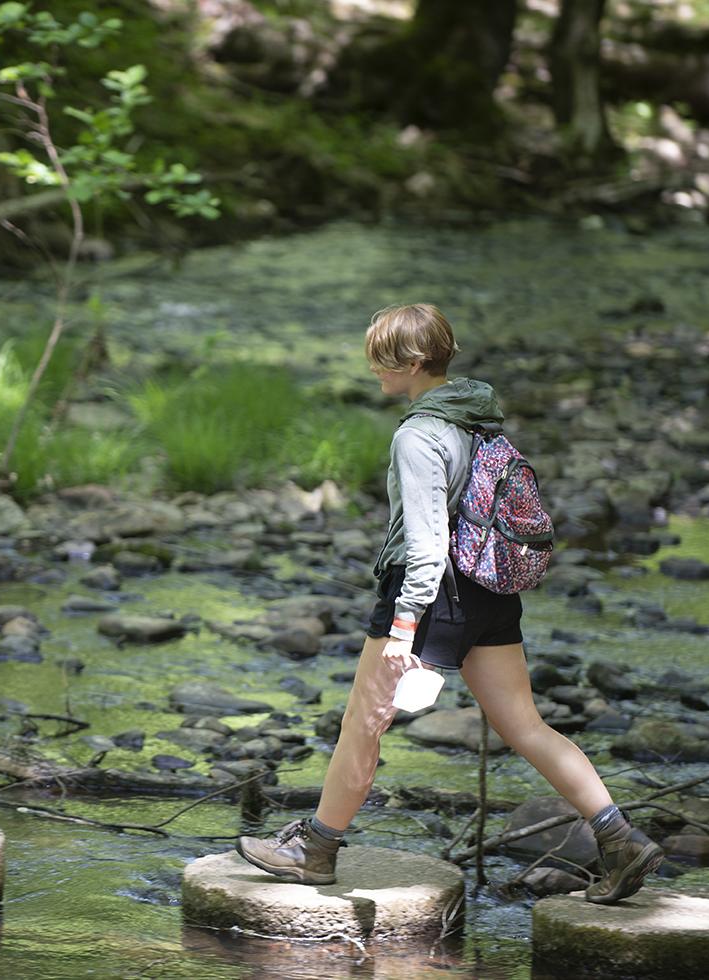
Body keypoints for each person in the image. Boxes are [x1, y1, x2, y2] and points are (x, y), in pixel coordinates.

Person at [237, 303, 663, 904]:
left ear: (413, 363)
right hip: (489, 591)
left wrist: (406, 625)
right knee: (526, 726)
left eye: (382, 361)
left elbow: (427, 541)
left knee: (363, 723)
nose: (374, 372)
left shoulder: (418, 434)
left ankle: (316, 849)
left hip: (430, 594)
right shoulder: (479, 421)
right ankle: (618, 839)